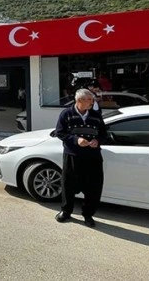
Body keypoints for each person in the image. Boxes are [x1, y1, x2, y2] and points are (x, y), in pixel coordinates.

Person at [54, 88, 108, 228]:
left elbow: (104, 134)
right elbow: (60, 132)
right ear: (79, 101)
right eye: (89, 99)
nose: (92, 102)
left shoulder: (96, 115)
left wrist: (97, 141)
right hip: (73, 155)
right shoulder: (66, 114)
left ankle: (88, 215)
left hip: (93, 157)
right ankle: (66, 211)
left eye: (92, 99)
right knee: (68, 184)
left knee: (93, 187)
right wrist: (76, 140)